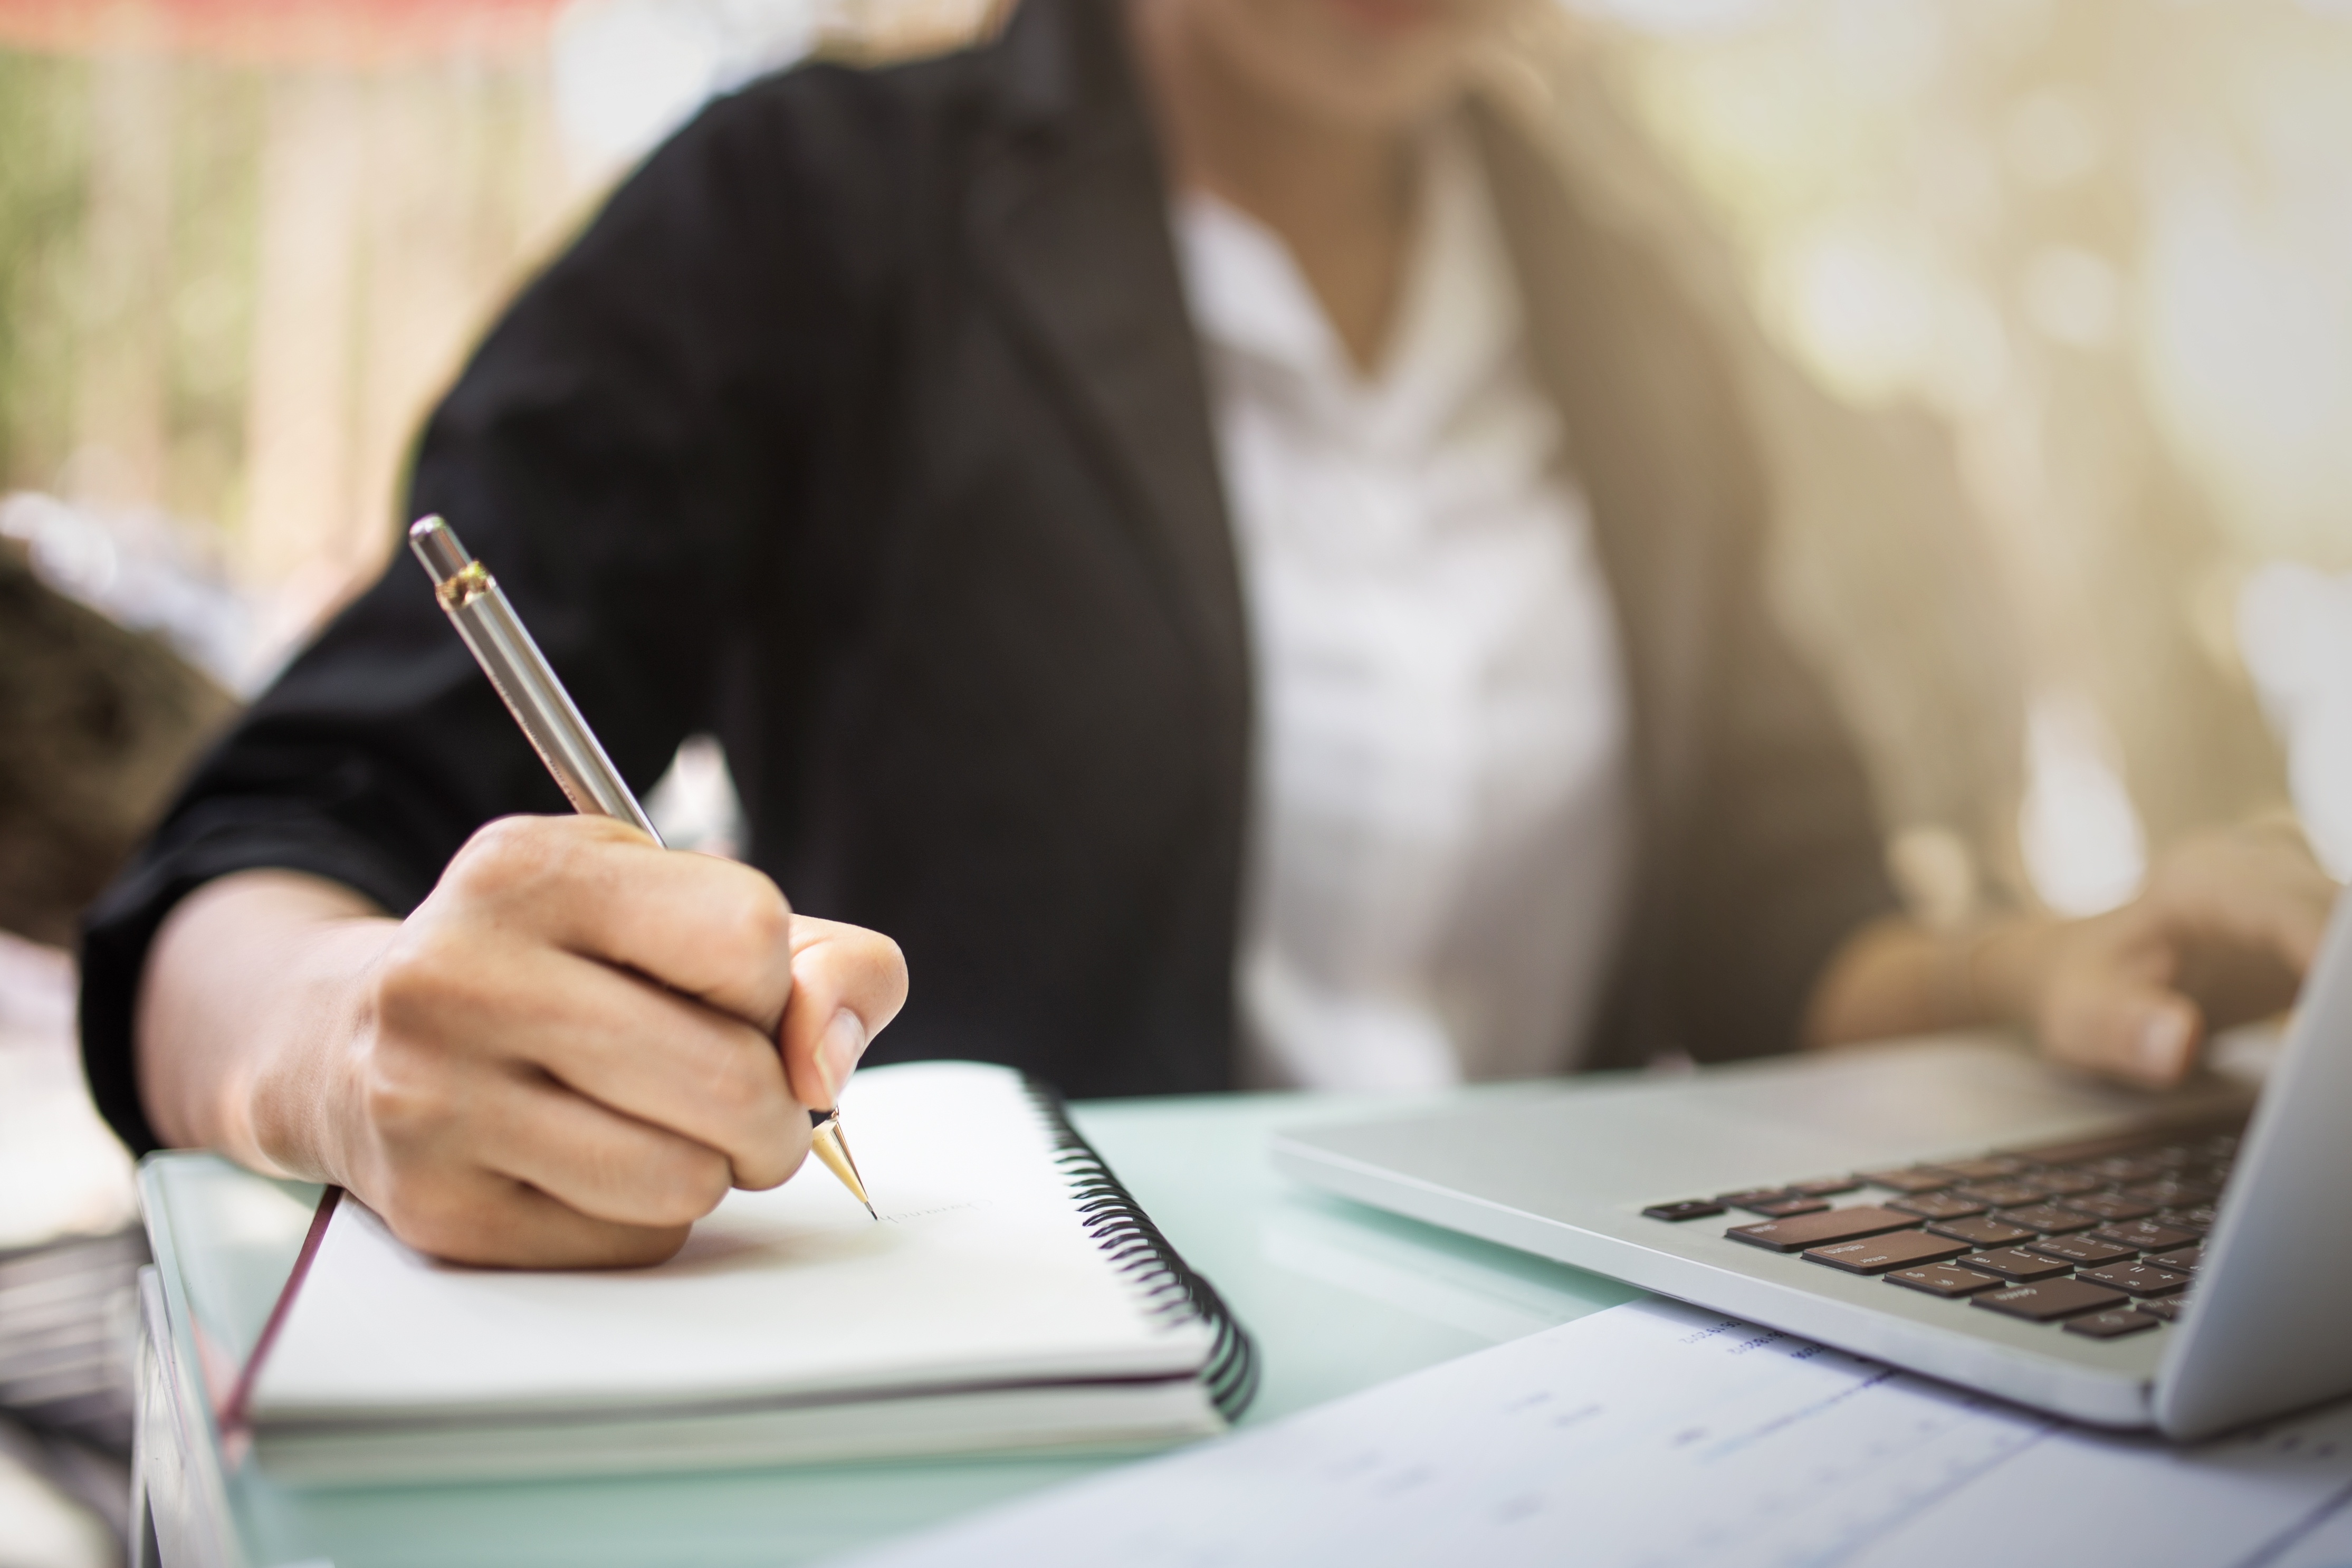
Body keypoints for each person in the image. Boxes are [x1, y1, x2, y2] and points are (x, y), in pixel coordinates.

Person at [81, 0, 2335, 1269]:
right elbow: (258, 858)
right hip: (1005, 1382)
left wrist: (2043, 973)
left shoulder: (1637, 306)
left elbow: (1773, 921)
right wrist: (340, 1041)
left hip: (1575, 1392)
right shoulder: (807, 216)